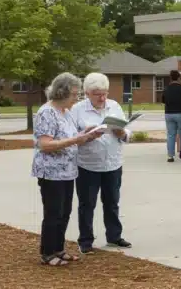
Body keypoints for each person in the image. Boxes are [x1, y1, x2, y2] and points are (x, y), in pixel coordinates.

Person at [31, 73, 103, 266]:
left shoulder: (65, 112)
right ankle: (47, 253)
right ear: (61, 92)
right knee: (53, 213)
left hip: (68, 171)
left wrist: (87, 135)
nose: (76, 98)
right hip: (51, 172)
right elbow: (45, 144)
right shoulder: (47, 112)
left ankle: (58, 249)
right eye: (74, 94)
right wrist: (75, 140)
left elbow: (72, 137)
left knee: (64, 212)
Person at [70, 73, 133, 255]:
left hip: (113, 163)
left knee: (112, 201)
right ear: (87, 93)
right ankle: (86, 240)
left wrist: (122, 133)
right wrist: (87, 135)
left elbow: (127, 132)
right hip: (87, 165)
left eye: (104, 93)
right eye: (97, 94)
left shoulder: (114, 106)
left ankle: (114, 236)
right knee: (87, 203)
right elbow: (71, 138)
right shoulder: (77, 110)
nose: (102, 98)